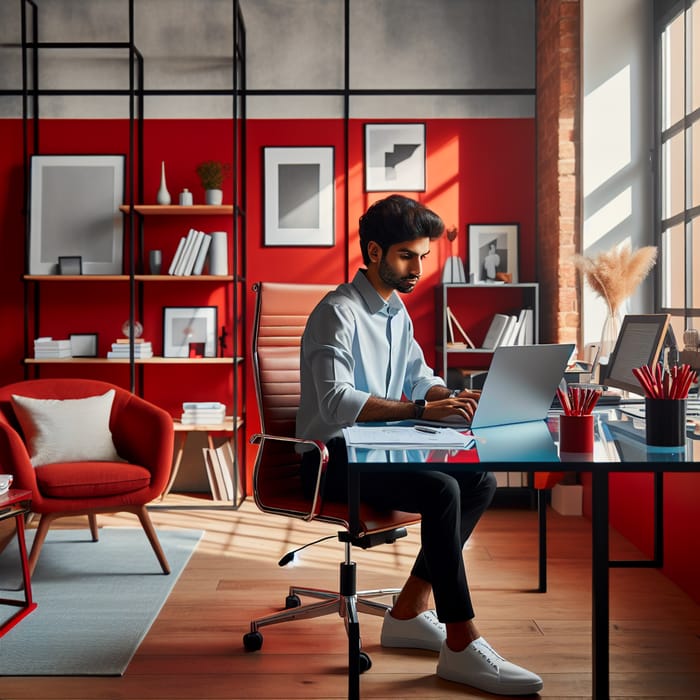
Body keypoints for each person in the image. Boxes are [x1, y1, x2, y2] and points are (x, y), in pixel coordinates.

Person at [296, 194, 543, 695]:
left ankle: (408, 609)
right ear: (372, 251)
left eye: (423, 257)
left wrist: (448, 397)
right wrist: (420, 412)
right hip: (331, 459)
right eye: (407, 256)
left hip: (379, 450)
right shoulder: (336, 313)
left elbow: (418, 375)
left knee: (478, 480)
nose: (418, 268)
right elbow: (336, 400)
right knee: (441, 491)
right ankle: (460, 641)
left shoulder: (395, 313)